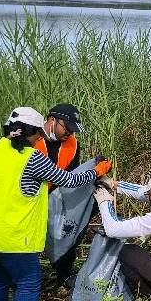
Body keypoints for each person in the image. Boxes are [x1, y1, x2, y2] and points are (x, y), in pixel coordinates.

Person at [0, 107, 111, 301]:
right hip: (12, 234)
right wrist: (96, 171)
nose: (40, 137)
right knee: (29, 281)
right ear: (33, 131)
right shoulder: (33, 158)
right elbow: (69, 179)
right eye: (38, 133)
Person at [35, 103, 85, 286]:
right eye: (67, 128)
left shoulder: (72, 144)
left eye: (73, 130)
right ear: (52, 120)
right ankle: (24, 279)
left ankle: (64, 274)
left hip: (56, 195)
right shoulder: (31, 138)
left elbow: (71, 174)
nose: (70, 134)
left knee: (68, 228)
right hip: (30, 197)